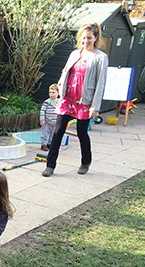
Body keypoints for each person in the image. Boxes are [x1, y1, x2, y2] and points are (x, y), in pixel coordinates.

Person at [42, 22, 108, 177]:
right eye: (84, 38)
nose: (86, 41)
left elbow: (101, 83)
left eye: (89, 38)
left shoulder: (100, 57)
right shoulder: (74, 54)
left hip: (84, 101)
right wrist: (59, 87)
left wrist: (95, 106)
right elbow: (65, 71)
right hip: (67, 98)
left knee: (81, 132)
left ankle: (86, 161)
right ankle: (50, 165)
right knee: (58, 132)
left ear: (95, 38)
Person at [40, 83, 59, 151]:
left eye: (53, 92)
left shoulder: (59, 102)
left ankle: (50, 144)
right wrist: (42, 119)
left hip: (55, 123)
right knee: (44, 134)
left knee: (53, 135)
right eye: (50, 92)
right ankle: (43, 144)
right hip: (47, 123)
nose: (51, 94)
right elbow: (42, 111)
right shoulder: (47, 102)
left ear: (58, 93)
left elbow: (60, 112)